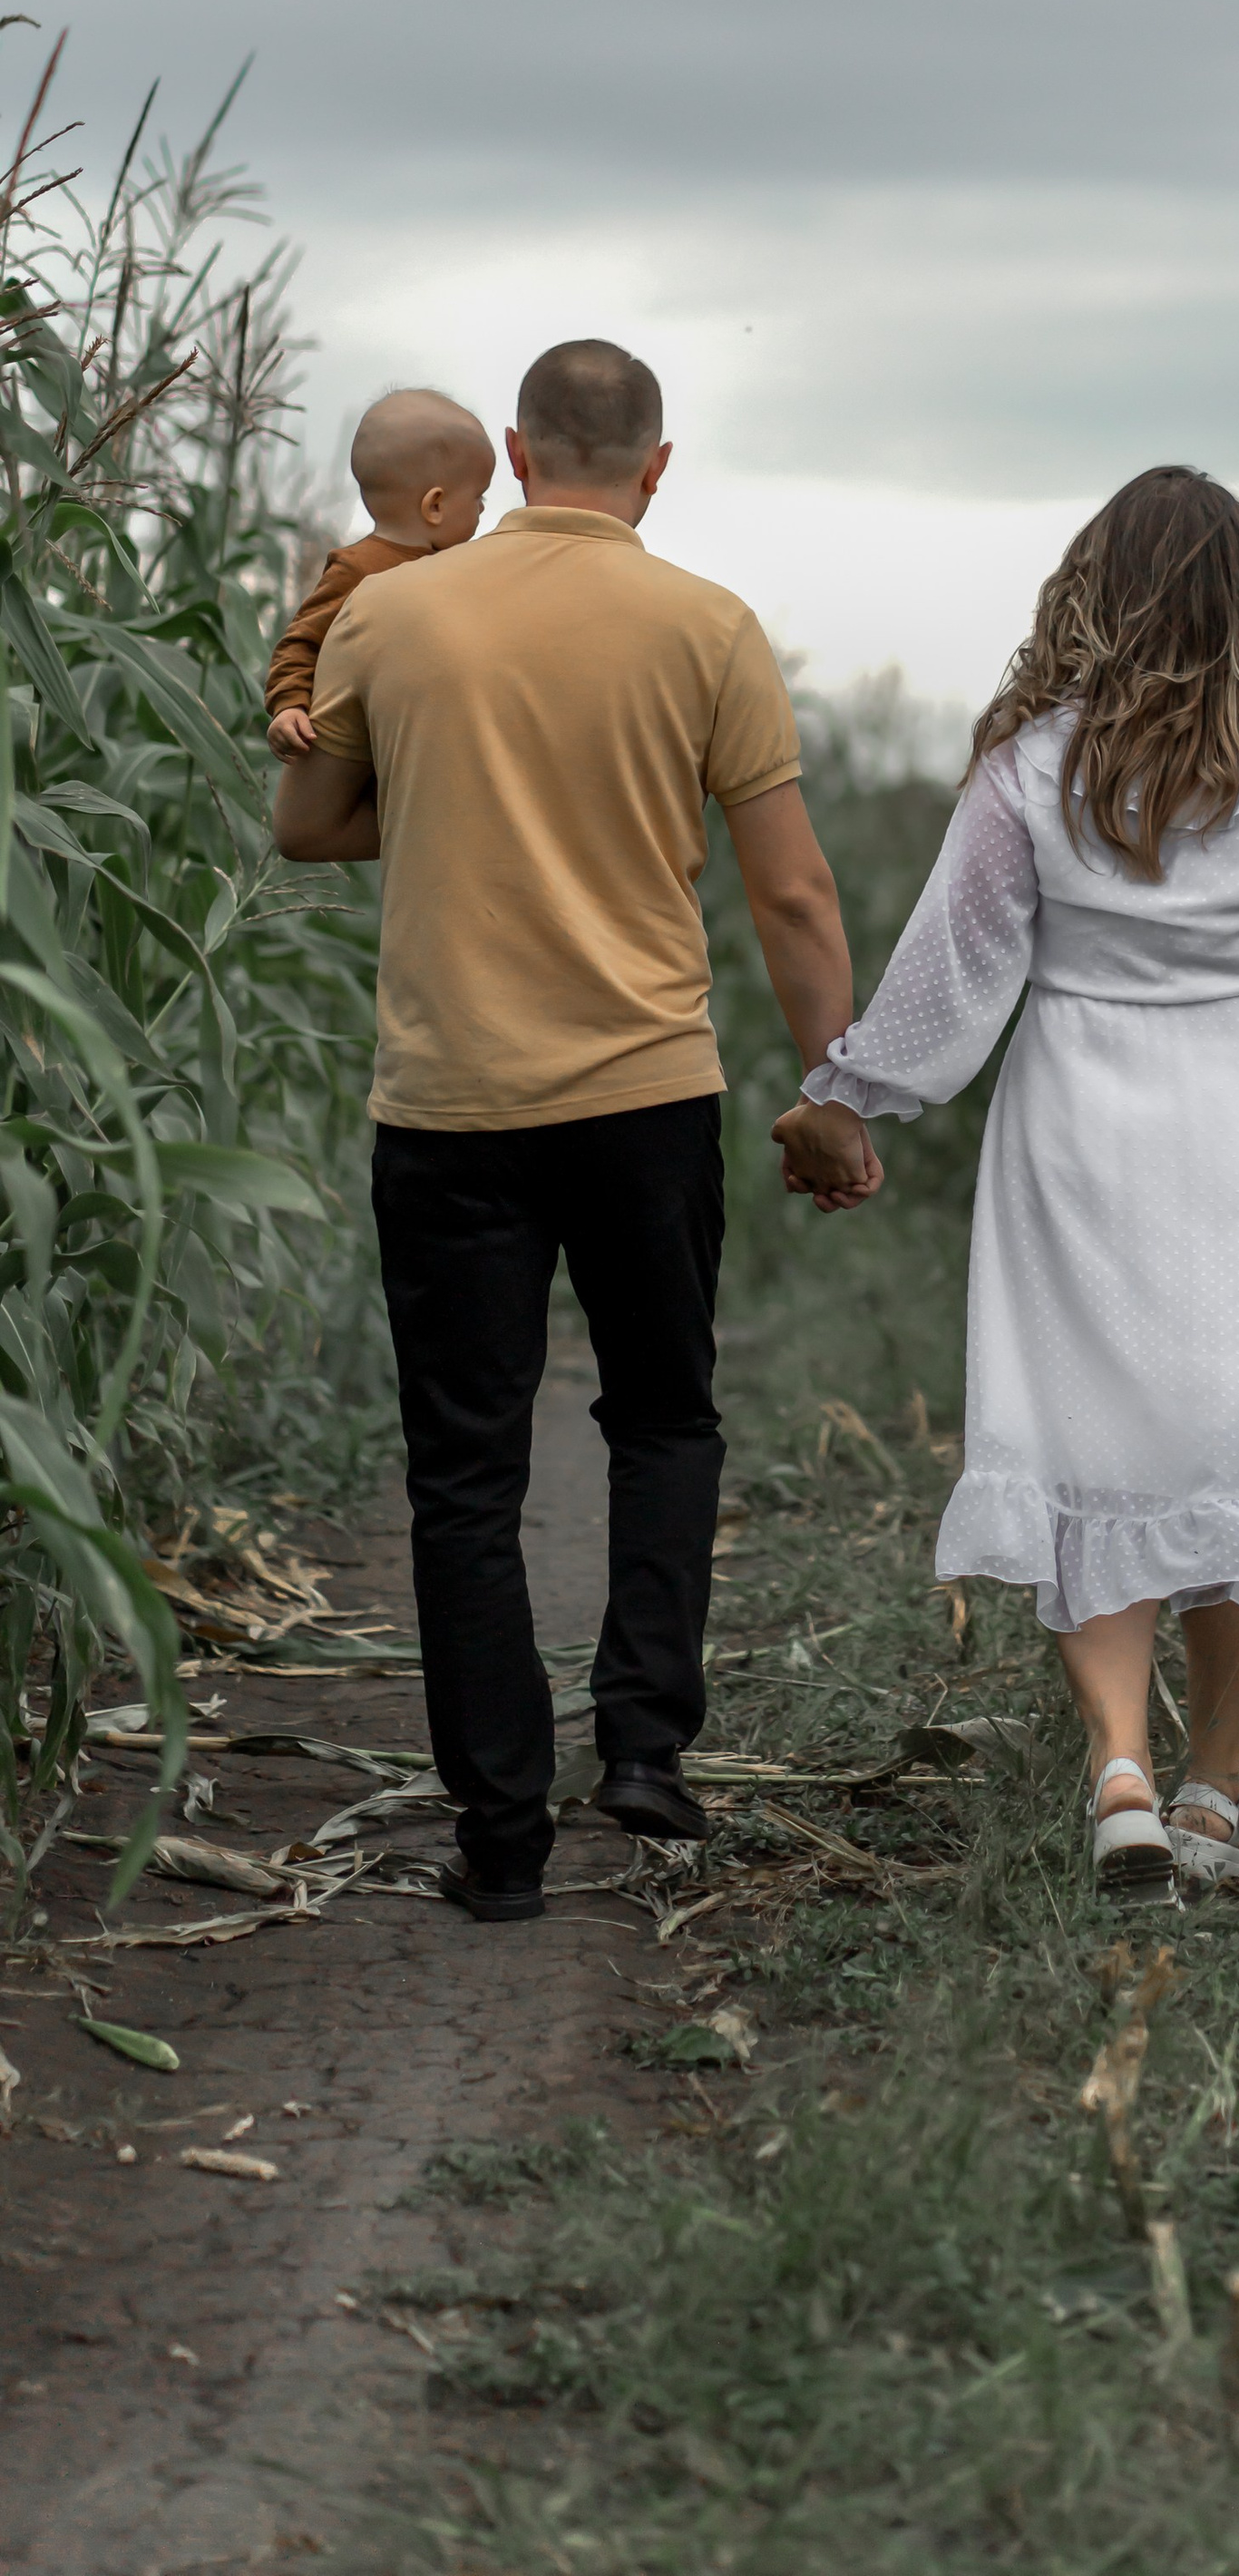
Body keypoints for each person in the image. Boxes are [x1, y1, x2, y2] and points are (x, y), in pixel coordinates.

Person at [774, 464, 1239, 1893]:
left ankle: (1120, 1771)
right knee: (1238, 1449)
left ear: (1092, 592)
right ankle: (1213, 1783)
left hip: (1080, 1113)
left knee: (1093, 1440)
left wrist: (848, 1098)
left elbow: (954, 969)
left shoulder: (1035, 763)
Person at [272, 338, 873, 1922]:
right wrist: (836, 1092)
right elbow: (794, 891)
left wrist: (457, 791)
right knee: (664, 1418)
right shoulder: (708, 626)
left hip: (451, 1105)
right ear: (654, 470)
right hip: (645, 1095)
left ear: (517, 460)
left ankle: (500, 1837)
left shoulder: (393, 610)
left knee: (465, 1475)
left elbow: (308, 823)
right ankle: (648, 1750)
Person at [265, 389, 496, 754]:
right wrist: (289, 705)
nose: (483, 509)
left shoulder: (460, 569)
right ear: (435, 505)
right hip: (370, 751)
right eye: (478, 496)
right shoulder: (359, 569)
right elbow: (301, 642)